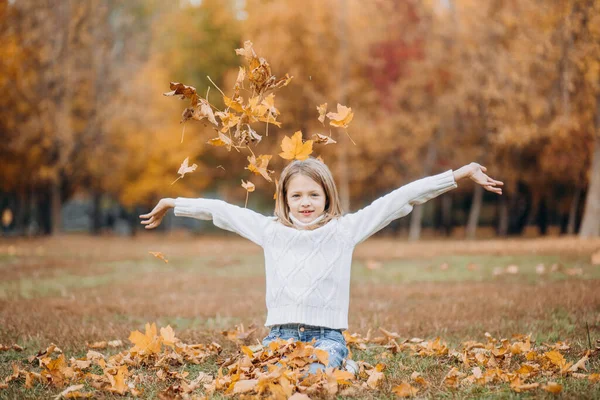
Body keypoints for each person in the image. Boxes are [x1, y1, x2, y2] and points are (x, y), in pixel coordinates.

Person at [139, 158, 503, 374]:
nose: (305, 203)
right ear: (284, 198)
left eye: (314, 194)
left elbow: (400, 199)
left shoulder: (343, 232)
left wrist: (459, 174)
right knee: (267, 382)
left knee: (307, 385)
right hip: (278, 338)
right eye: (296, 195)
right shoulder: (270, 231)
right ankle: (329, 369)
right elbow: (223, 212)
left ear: (327, 195)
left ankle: (339, 364)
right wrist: (174, 201)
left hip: (325, 337)